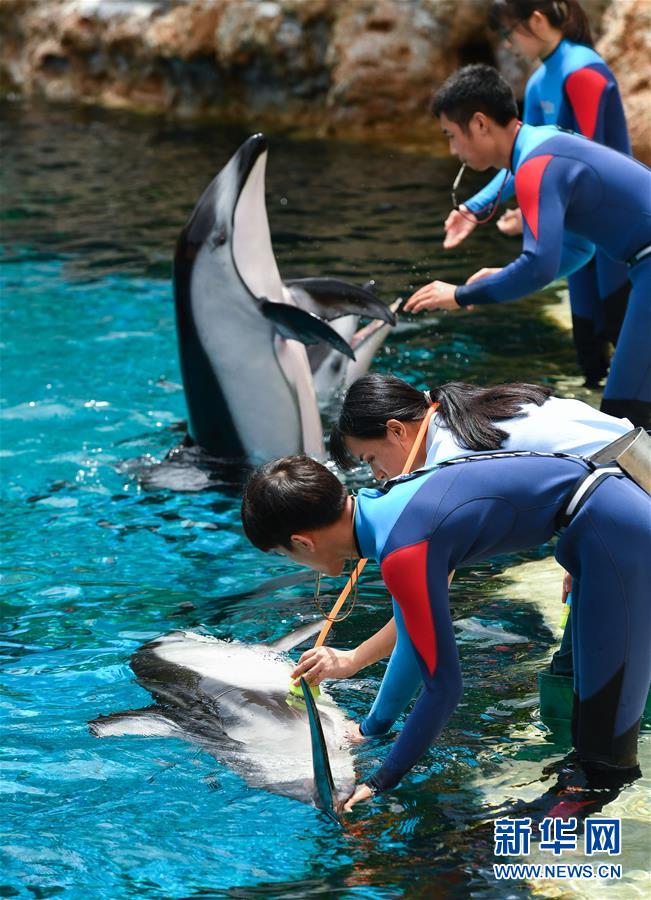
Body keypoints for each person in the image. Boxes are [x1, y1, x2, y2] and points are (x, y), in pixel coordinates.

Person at [241, 453, 650, 812]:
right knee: (595, 737)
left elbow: (444, 688)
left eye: (284, 554)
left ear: (302, 542)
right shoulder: (388, 507)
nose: (292, 562)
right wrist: (374, 728)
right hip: (605, 520)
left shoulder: (401, 552)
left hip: (615, 535)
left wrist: (381, 780)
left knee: (602, 767)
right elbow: (412, 642)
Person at [292, 374, 632, 686]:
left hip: (631, 505)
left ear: (396, 430)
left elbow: (421, 605)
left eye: (370, 459)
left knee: (585, 679)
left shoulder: (449, 463)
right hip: (629, 485)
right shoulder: (457, 412)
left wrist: (354, 659)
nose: (377, 476)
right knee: (588, 668)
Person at [403, 64, 651, 428]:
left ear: (480, 124)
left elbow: (538, 265)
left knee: (622, 419)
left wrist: (460, 294)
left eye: (451, 135)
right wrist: (499, 272)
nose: (452, 149)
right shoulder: (543, 141)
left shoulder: (538, 165)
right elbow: (579, 250)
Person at [444, 0, 632, 389]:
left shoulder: (583, 70)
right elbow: (524, 155)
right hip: (580, 237)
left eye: (511, 32)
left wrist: (538, 206)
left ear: (537, 20)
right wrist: (475, 207)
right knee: (590, 353)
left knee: (625, 340)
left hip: (613, 234)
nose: (510, 45)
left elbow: (584, 162)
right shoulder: (537, 81)